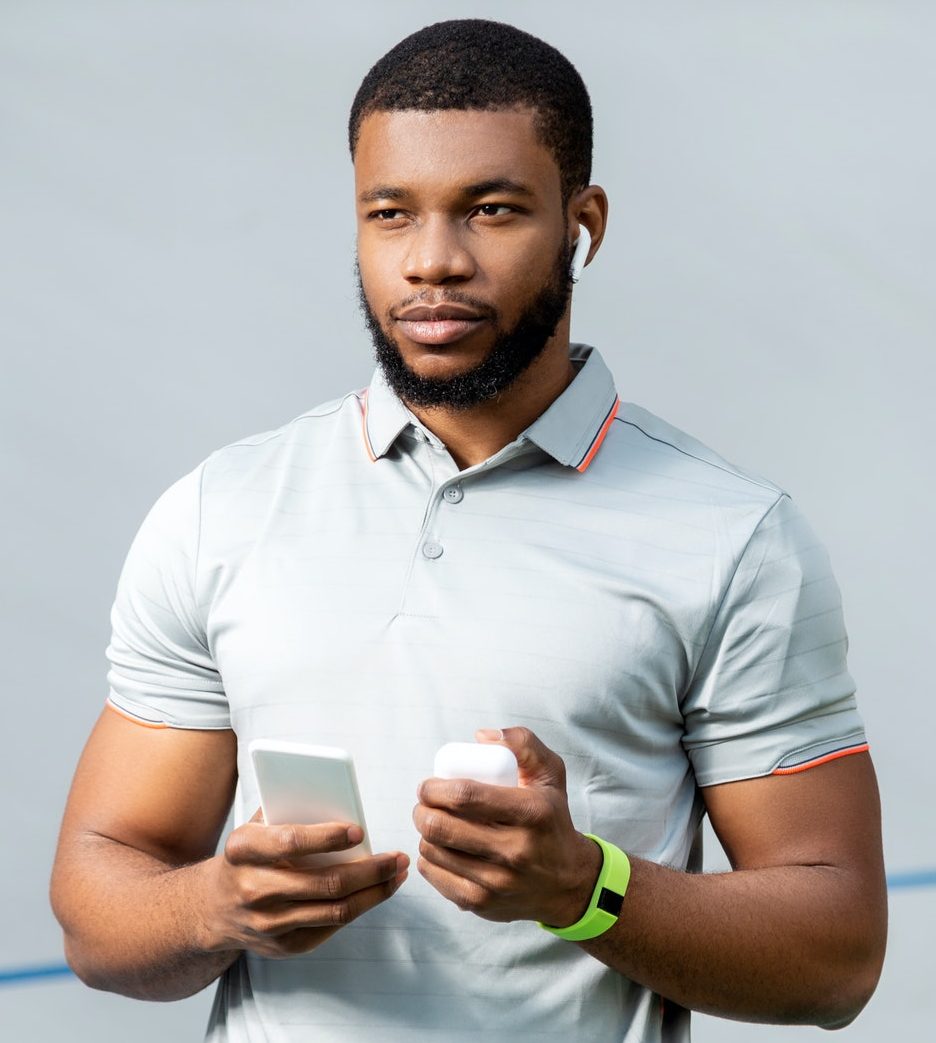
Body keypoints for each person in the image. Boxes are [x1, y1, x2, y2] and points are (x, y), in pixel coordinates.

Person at [50, 18, 886, 1043]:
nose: (433, 262)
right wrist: (214, 903)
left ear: (583, 224)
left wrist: (584, 884)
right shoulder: (220, 509)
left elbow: (837, 954)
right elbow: (99, 906)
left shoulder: (734, 535)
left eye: (490, 210)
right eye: (390, 214)